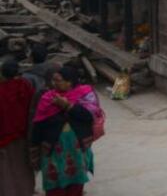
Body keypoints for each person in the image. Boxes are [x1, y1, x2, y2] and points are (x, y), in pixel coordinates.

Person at [32, 66, 101, 196]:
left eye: (58, 80)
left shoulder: (84, 94)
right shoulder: (47, 98)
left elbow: (89, 116)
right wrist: (34, 149)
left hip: (77, 150)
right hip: (52, 151)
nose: (54, 83)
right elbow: (38, 124)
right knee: (54, 185)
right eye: (53, 80)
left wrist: (68, 106)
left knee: (76, 184)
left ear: (69, 82)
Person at [1, 59, 35, 196]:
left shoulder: (1, 90)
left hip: (4, 138)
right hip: (23, 136)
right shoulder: (25, 86)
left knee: (5, 173)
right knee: (23, 169)